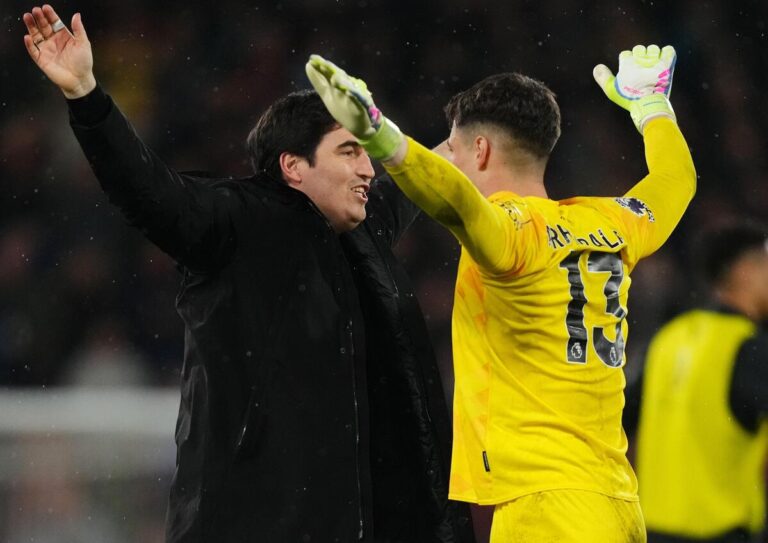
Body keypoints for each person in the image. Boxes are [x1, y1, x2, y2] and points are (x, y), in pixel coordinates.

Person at [21, 5, 476, 543]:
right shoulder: (236, 219)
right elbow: (147, 190)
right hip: (247, 524)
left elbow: (417, 170)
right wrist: (86, 96)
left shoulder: (363, 232)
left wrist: (482, 125)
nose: (367, 169)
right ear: (292, 166)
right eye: (350, 151)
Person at [306, 44, 695, 542]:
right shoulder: (613, 222)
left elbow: (457, 204)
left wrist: (382, 137)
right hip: (614, 500)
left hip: (546, 510)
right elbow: (674, 179)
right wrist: (652, 107)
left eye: (452, 147)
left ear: (482, 151)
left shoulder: (513, 234)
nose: (446, 158)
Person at [624, 222, 768, 543]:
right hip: (722, 533)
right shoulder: (751, 348)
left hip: (654, 531)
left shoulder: (667, 338)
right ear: (746, 271)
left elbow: (619, 420)